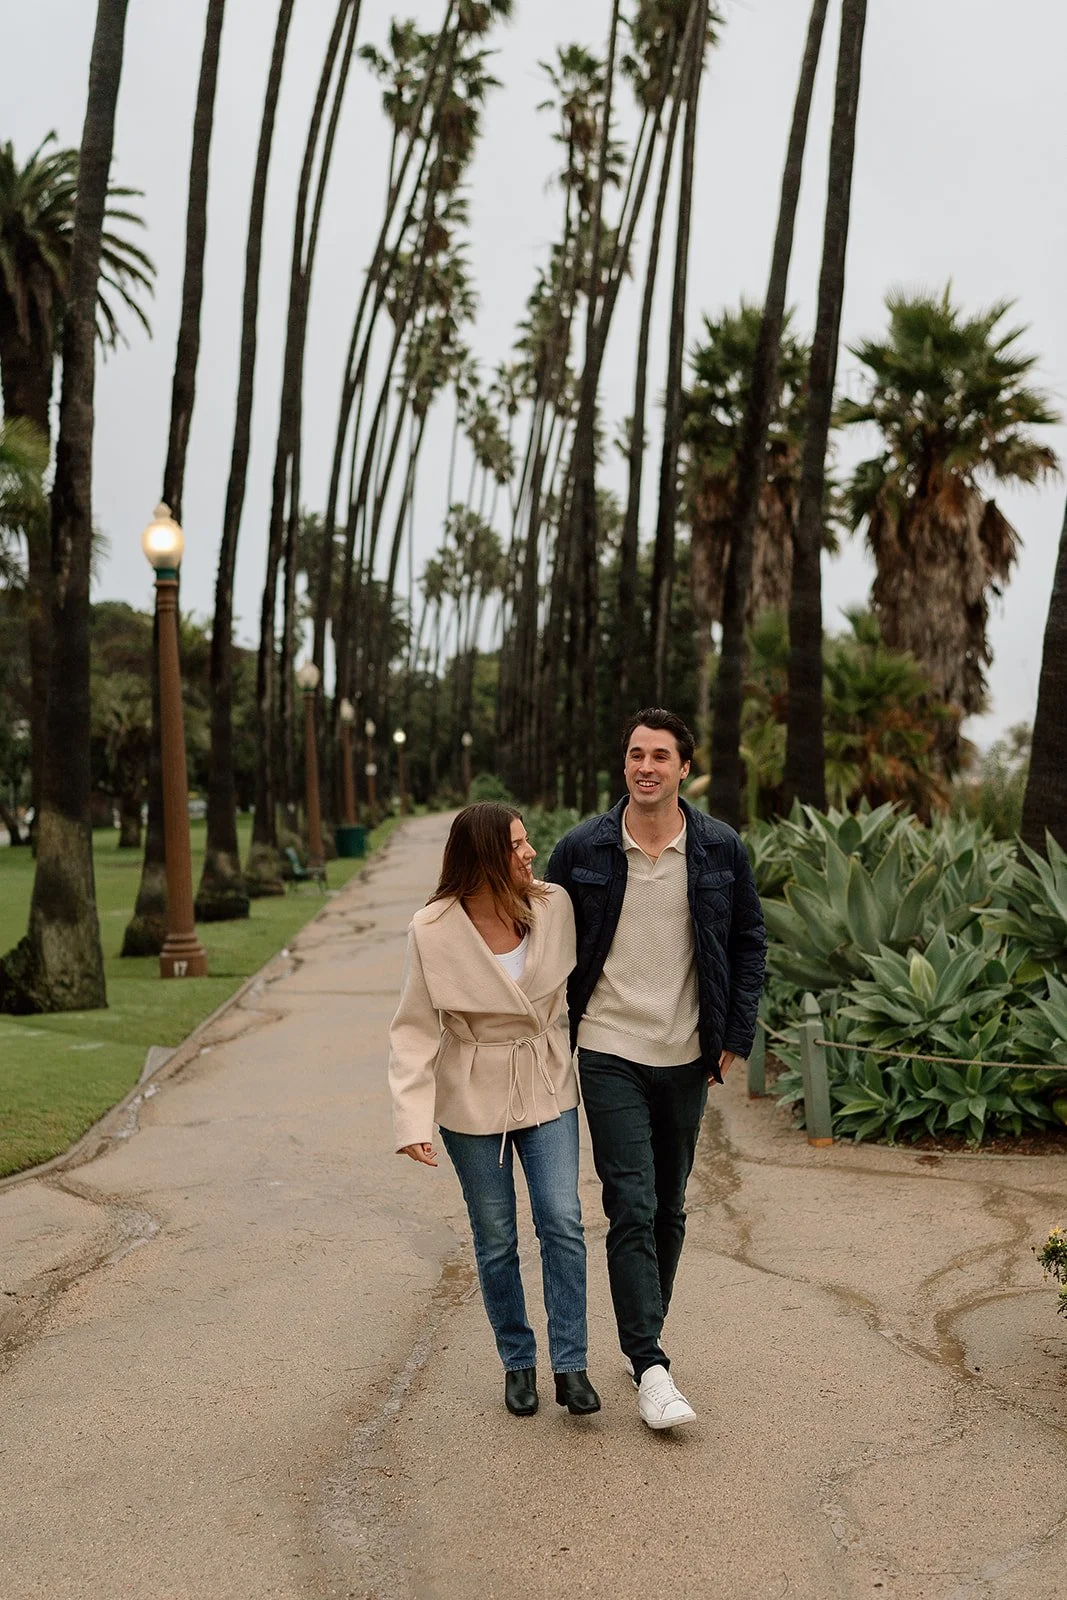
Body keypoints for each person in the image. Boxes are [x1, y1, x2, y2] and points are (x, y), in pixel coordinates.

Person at [546, 708, 766, 1431]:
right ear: (625, 764)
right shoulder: (583, 847)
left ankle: (645, 1343)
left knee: (668, 1207)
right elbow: (539, 936)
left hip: (685, 1055)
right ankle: (650, 1365)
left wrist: (734, 1032)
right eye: (635, 753)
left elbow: (747, 942)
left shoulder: (717, 849)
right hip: (608, 1048)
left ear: (683, 767)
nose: (645, 766)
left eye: (659, 756)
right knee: (630, 1204)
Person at [388, 801, 601, 1420]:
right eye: (516, 845)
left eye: (527, 842)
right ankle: (517, 1362)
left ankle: (572, 1365)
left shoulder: (552, 906)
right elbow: (412, 1029)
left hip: (546, 1076)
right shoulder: (431, 930)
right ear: (484, 857)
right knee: (497, 1236)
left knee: (562, 1219)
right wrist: (411, 1121)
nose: (530, 852)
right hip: (470, 1091)